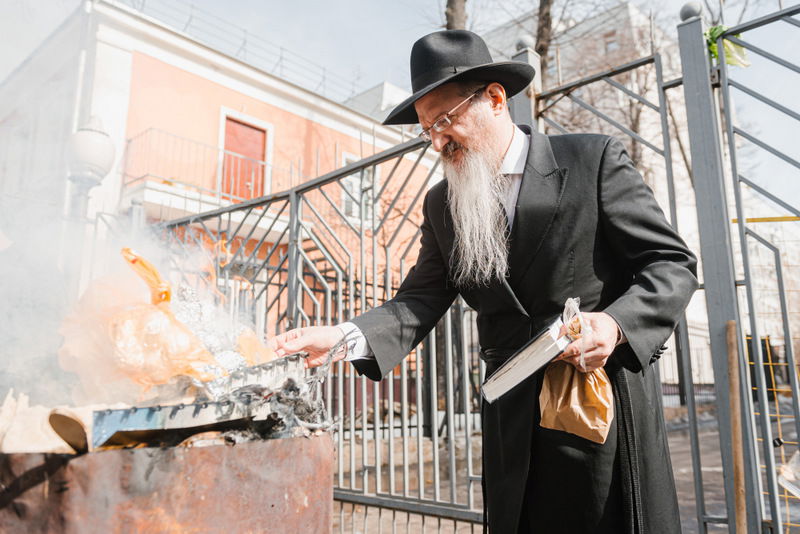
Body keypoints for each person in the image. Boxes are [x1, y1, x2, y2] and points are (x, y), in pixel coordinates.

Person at [271, 29, 697, 534]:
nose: (437, 141)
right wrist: (343, 338)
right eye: (426, 130)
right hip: (511, 415)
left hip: (595, 399)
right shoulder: (442, 203)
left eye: (444, 121)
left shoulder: (592, 160)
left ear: (495, 98)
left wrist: (616, 325)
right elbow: (420, 298)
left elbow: (670, 264)